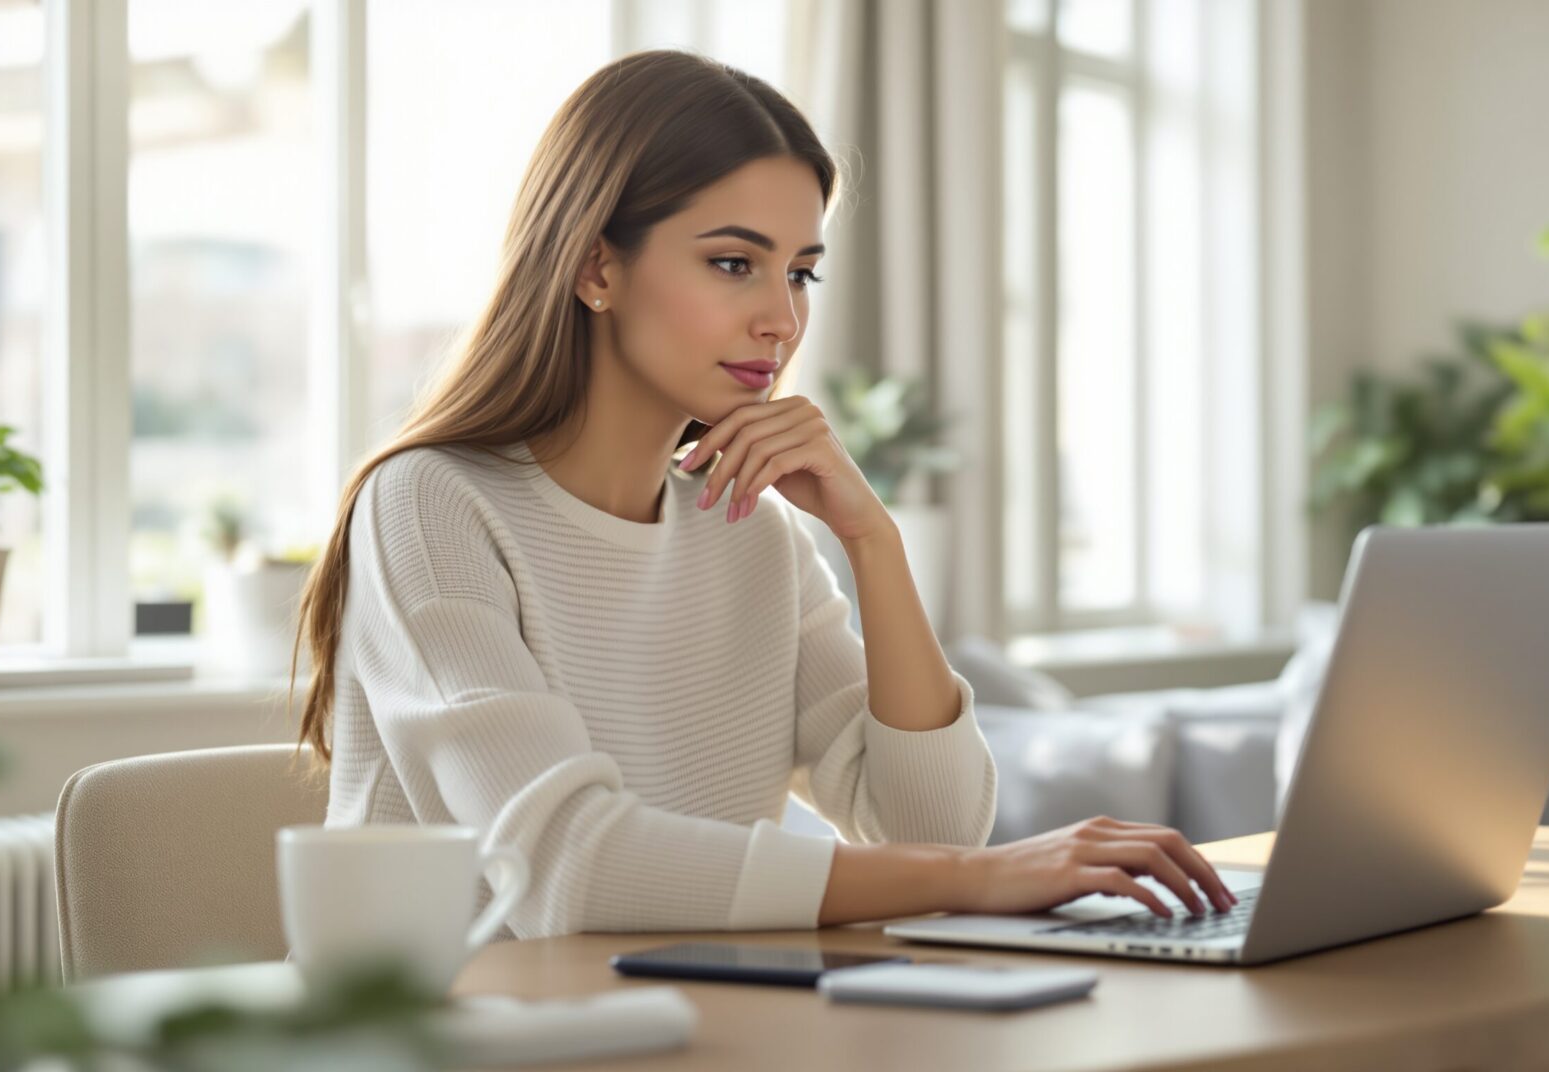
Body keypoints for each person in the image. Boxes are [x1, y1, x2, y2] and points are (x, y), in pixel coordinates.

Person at [292, 49, 1234, 939]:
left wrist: (874, 544)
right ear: (595, 268)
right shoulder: (428, 504)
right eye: (734, 263)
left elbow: (928, 827)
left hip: (683, 1021)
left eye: (801, 273)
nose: (782, 319)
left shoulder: (751, 530)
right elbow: (567, 867)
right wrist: (975, 880)